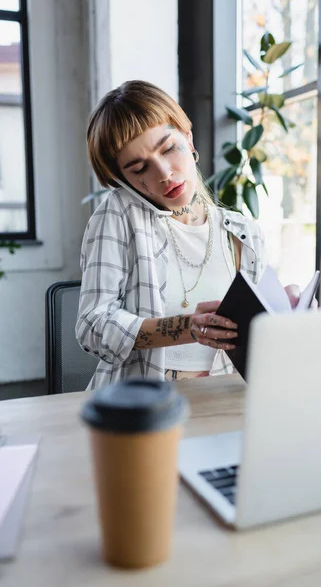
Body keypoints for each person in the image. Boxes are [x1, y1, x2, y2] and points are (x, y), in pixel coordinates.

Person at [76, 80, 300, 391]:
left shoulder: (242, 233)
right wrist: (185, 328)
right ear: (122, 181)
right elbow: (93, 326)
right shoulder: (119, 216)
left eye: (169, 148)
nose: (164, 173)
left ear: (188, 138)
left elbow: (256, 340)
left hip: (224, 398)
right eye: (140, 169)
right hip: (143, 407)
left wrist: (288, 318)